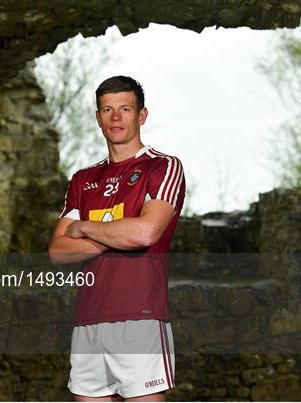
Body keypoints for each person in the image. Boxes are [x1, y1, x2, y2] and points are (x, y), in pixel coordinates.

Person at [49, 76, 185, 402]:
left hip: (140, 318)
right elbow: (57, 251)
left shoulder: (162, 167)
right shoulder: (83, 180)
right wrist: (120, 232)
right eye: (107, 110)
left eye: (125, 108)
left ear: (141, 115)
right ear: (97, 118)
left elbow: (146, 233)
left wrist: (85, 228)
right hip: (87, 323)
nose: (115, 117)